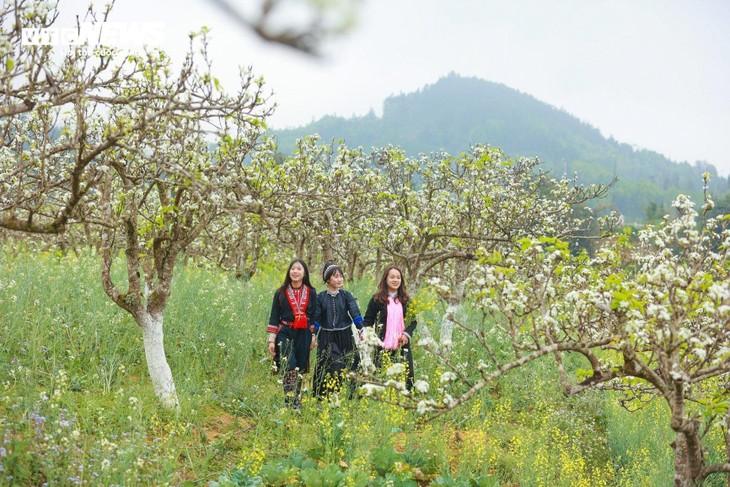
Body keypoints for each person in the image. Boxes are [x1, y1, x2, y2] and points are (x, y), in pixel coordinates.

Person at [267, 259, 318, 409]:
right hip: (285, 332)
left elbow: (313, 317)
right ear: (289, 272)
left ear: (304, 273)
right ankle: (288, 399)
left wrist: (313, 336)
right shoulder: (280, 292)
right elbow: (274, 316)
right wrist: (271, 340)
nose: (295, 271)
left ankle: (296, 399)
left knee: (300, 367)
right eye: (293, 269)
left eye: (299, 269)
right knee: (289, 364)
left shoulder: (311, 292)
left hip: (304, 333)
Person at [312, 261, 364, 398]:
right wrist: (312, 335)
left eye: (341, 276)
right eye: (336, 276)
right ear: (328, 279)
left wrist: (362, 330)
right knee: (333, 365)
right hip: (327, 337)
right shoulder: (320, 297)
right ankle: (324, 396)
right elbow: (316, 319)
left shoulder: (346, 295)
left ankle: (354, 396)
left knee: (354, 363)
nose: (339, 279)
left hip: (345, 335)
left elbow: (355, 313)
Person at [363, 265, 416, 390]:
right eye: (392, 277)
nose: (395, 280)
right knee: (381, 375)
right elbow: (368, 320)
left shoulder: (406, 300)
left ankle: (407, 400)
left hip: (402, 344)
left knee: (407, 374)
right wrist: (368, 336)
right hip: (382, 344)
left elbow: (413, 321)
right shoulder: (377, 299)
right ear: (385, 279)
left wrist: (406, 334)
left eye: (398, 278)